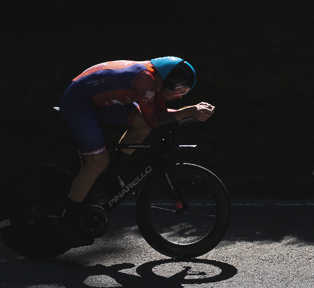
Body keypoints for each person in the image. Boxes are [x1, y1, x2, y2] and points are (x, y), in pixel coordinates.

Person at [56, 57, 215, 245]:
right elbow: (154, 119)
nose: (180, 96)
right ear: (169, 82)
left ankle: (110, 173)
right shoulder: (145, 79)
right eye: (181, 91)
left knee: (142, 126)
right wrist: (188, 111)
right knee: (97, 161)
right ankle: (65, 223)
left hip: (98, 101)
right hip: (79, 102)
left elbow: (155, 118)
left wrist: (187, 113)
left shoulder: (155, 80)